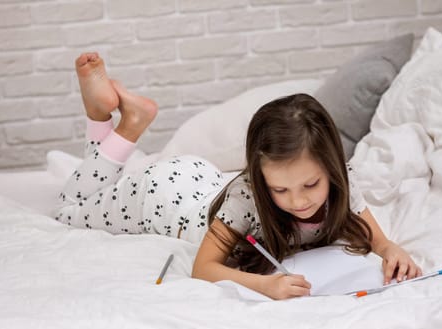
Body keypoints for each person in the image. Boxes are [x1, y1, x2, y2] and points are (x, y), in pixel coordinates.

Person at [55, 52, 422, 300]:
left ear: (331, 168)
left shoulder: (343, 179)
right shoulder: (246, 197)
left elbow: (380, 241)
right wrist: (265, 285)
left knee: (94, 192)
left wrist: (391, 250)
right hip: (165, 198)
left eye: (311, 184)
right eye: (280, 189)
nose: (299, 200)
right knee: (71, 209)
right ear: (259, 179)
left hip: (203, 179)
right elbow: (203, 268)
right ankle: (130, 124)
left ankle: (99, 114)